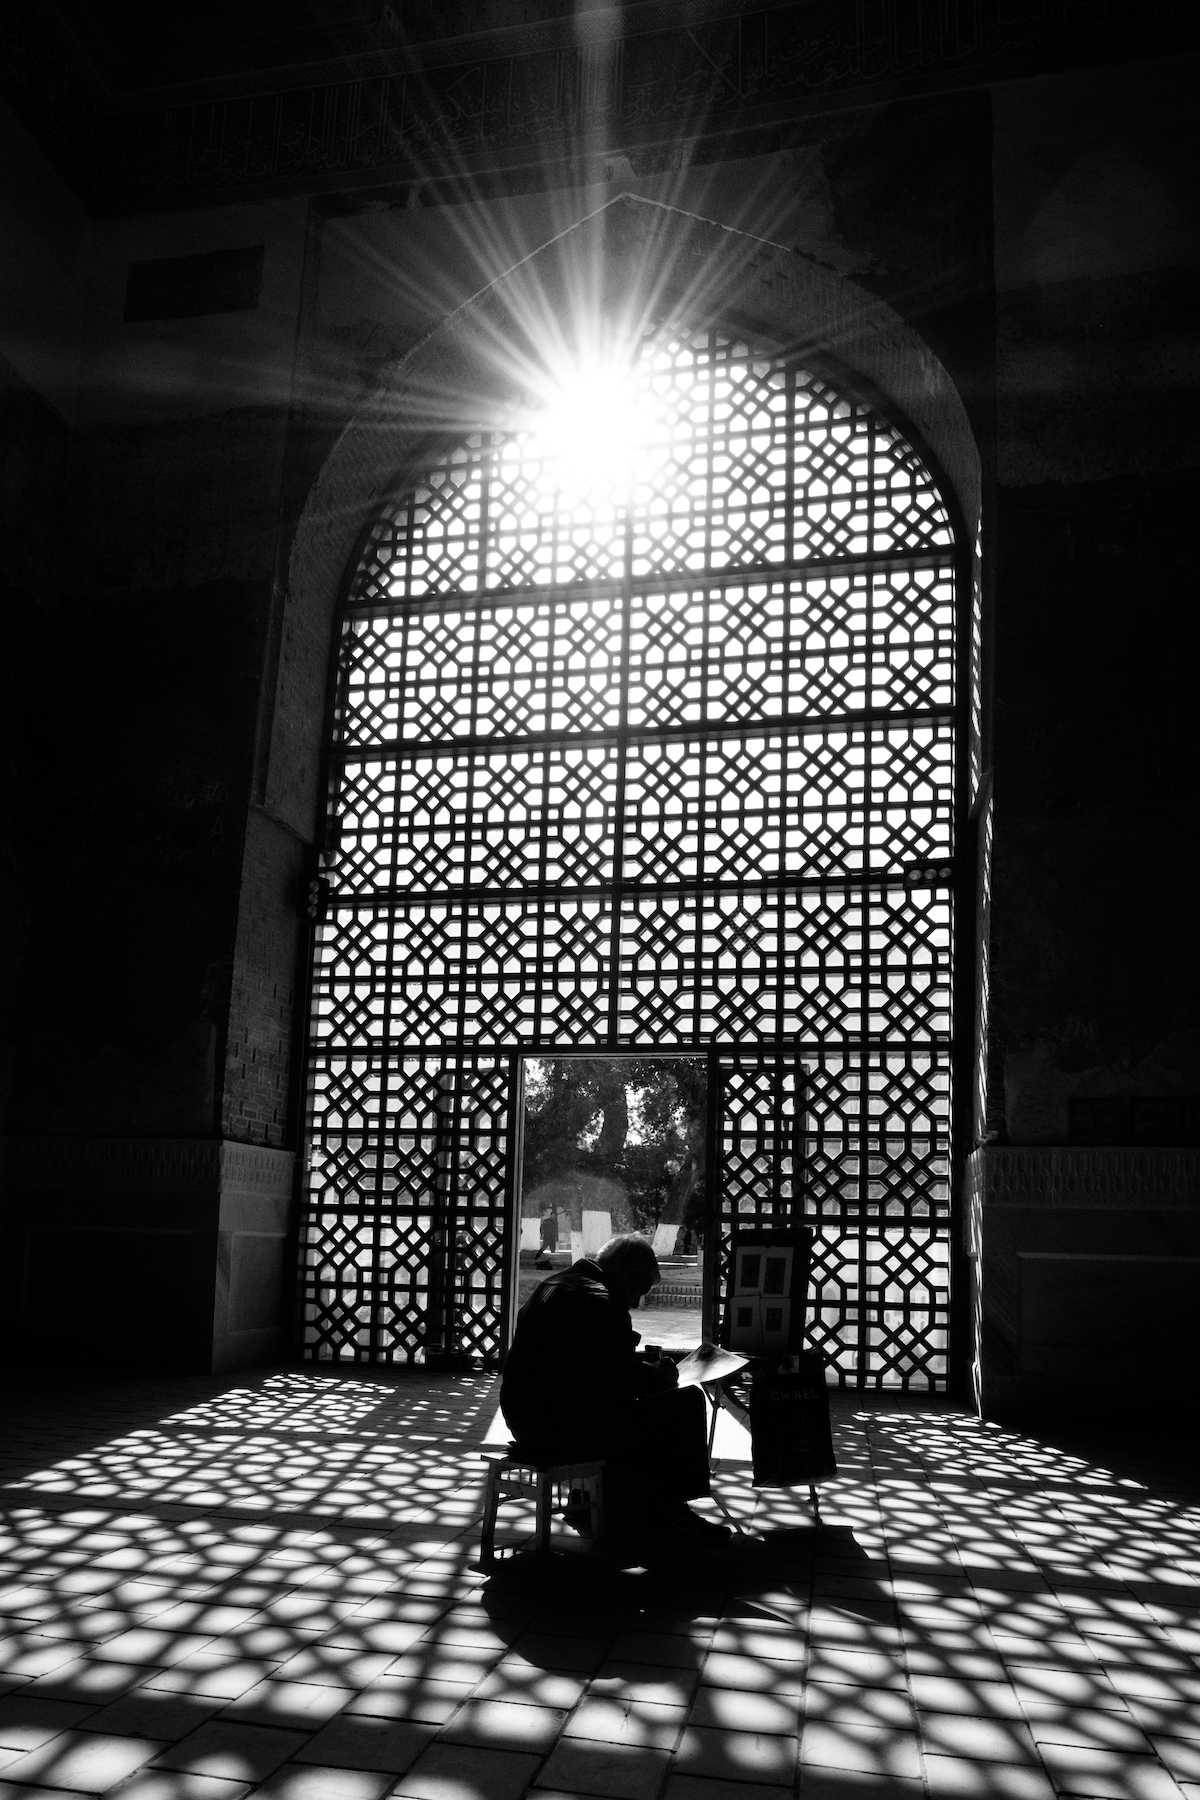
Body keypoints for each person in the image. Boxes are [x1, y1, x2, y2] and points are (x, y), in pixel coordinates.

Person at [500, 1232, 730, 1541]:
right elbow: (614, 1381)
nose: (634, 1303)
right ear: (629, 1272)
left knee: (617, 1408)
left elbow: (584, 1368)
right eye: (639, 1291)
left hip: (524, 1423)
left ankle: (587, 1499)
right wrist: (658, 1375)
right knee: (685, 1402)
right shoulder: (601, 1300)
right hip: (562, 1431)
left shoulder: (553, 1285)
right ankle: (673, 1512)